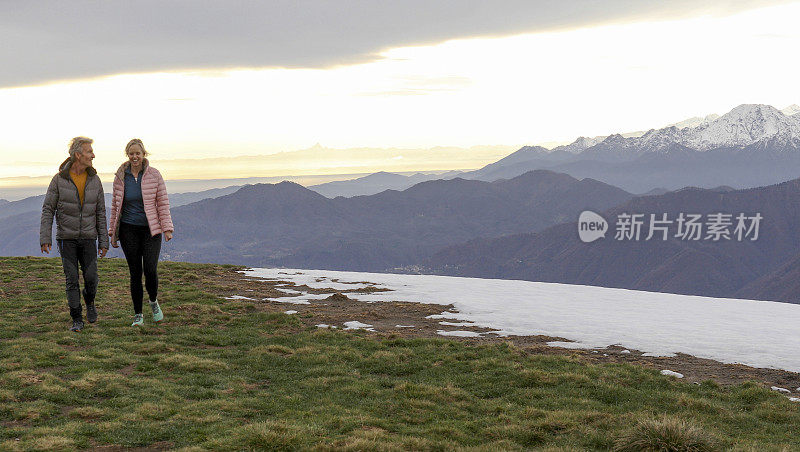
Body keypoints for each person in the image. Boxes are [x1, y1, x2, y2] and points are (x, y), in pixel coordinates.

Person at [40, 136, 109, 332]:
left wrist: (103, 241)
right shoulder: (59, 179)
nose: (93, 155)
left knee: (91, 278)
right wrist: (45, 237)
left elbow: (100, 212)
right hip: (66, 238)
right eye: (89, 152)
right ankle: (76, 318)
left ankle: (90, 302)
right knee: (71, 278)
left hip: (88, 237)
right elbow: (48, 210)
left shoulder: (95, 180)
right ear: (78, 155)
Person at [108, 138, 174, 327]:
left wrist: (167, 228)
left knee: (151, 269)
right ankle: (138, 314)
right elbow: (115, 206)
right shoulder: (120, 177)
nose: (135, 156)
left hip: (151, 230)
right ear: (127, 155)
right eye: (131, 153)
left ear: (144, 154)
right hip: (129, 229)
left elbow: (162, 202)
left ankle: (153, 302)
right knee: (135, 272)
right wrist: (113, 232)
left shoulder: (154, 175)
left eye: (138, 153)